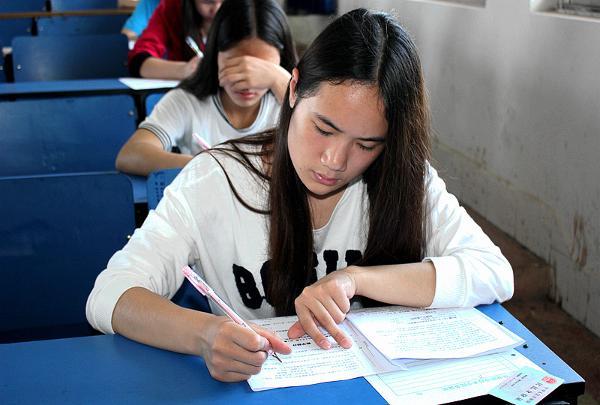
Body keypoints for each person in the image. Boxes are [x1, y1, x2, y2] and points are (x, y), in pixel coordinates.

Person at [88, 8, 514, 382]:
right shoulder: (214, 179)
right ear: (292, 90)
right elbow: (109, 295)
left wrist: (356, 278)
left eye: (366, 144)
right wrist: (203, 335)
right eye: (323, 128)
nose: (334, 161)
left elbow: (494, 272)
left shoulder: (404, 178)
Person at [116, 0, 297, 176]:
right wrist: (211, 164)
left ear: (280, 62)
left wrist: (281, 81)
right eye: (236, 66)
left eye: (262, 69)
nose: (247, 81)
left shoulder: (287, 100)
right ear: (215, 55)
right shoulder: (188, 101)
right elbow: (130, 155)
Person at [128, 0, 223, 79]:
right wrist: (185, 70)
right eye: (207, 2)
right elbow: (138, 60)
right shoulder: (172, 7)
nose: (217, 9)